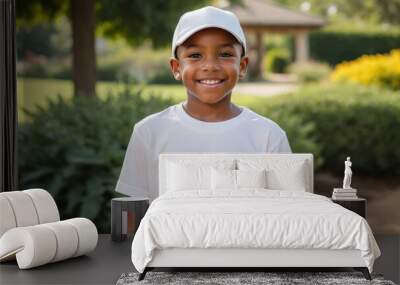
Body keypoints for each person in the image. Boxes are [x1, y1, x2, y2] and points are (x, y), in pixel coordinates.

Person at [115, 6, 292, 202]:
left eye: (225, 54)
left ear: (242, 66)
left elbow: (286, 211)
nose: (210, 66)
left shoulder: (268, 136)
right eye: (195, 55)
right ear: (176, 68)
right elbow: (134, 215)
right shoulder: (148, 133)